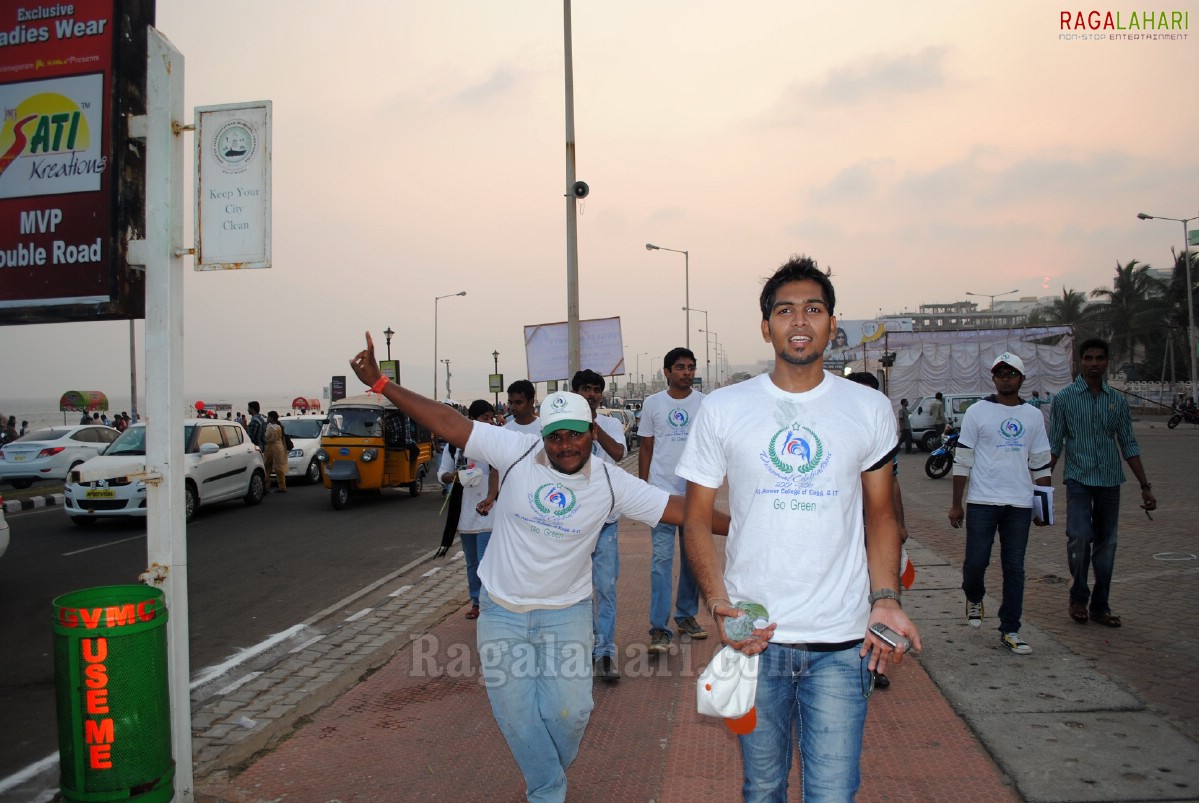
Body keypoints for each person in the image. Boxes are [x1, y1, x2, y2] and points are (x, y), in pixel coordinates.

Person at [347, 332, 727, 803]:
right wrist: (383, 383)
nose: (566, 445)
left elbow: (685, 511)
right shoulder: (517, 453)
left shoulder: (613, 483)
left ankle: (545, 779)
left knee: (570, 713)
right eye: (556, 436)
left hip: (566, 613)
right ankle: (547, 791)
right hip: (502, 610)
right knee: (517, 714)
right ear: (543, 438)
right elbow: (448, 423)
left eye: (576, 433)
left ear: (593, 430)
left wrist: (747, 526)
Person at [678, 255, 920, 801]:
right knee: (762, 787)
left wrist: (886, 597)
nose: (800, 321)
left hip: (842, 643)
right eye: (785, 311)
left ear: (832, 324)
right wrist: (719, 605)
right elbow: (695, 519)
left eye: (814, 309)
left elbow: (881, 513)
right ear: (767, 327)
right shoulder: (724, 409)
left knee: (833, 791)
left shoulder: (869, 407)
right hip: (754, 642)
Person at [947, 352, 1051, 655]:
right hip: (982, 501)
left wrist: (1042, 508)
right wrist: (957, 504)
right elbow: (963, 459)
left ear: (1021, 378)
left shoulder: (1032, 416)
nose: (1005, 378)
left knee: (1014, 568)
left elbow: (1041, 464)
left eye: (1011, 373)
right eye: (1000, 373)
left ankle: (1010, 629)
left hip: (1019, 504)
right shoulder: (978, 412)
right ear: (993, 377)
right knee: (976, 563)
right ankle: (975, 595)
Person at [1049, 338, 1156, 628]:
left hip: (1110, 480)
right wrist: (1040, 485)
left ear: (1106, 361)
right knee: (1080, 537)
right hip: (1079, 480)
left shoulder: (1117, 401)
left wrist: (1145, 485)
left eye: (1099, 358)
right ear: (1080, 362)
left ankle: (1101, 605)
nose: (1094, 363)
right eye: (1088, 358)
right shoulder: (1065, 399)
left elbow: (1129, 445)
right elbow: (1054, 444)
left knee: (1107, 545)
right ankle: (1078, 596)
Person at [637, 347, 708, 653]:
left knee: (694, 559)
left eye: (691, 367)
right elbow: (646, 449)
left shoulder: (705, 404)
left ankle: (686, 615)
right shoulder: (653, 403)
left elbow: (710, 450)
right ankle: (658, 628)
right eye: (680, 367)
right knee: (661, 561)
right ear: (666, 372)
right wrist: (643, 489)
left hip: (694, 495)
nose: (686, 373)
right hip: (661, 495)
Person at [845, 372, 912, 689]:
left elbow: (892, 483)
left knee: (882, 592)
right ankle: (858, 659)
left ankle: (876, 663)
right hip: (845, 528)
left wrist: (899, 523)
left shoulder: (880, 434)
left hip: (876, 527)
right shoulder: (837, 428)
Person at [571, 369, 627, 681]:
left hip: (606, 521)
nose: (591, 394)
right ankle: (588, 644)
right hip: (575, 524)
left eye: (595, 390)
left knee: (605, 588)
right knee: (578, 590)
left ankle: (605, 652)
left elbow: (619, 453)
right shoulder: (563, 428)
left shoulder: (610, 424)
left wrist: (594, 431)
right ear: (575, 392)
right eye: (585, 389)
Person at [437, 400, 499, 620]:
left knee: (485, 560)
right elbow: (442, 474)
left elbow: (497, 472)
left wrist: (491, 497)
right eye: (485, 418)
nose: (490, 422)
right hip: (465, 513)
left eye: (491, 417)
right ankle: (476, 601)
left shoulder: (494, 443)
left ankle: (489, 601)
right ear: (472, 420)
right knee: (472, 561)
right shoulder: (454, 446)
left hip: (489, 511)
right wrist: (454, 476)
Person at [262, 411, 288, 493]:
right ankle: (282, 486)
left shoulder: (270, 428)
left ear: (271, 418)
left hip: (271, 447)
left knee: (267, 467)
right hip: (279, 447)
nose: (267, 418)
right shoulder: (279, 427)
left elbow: (267, 438)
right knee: (279, 467)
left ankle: (266, 486)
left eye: (268, 417)